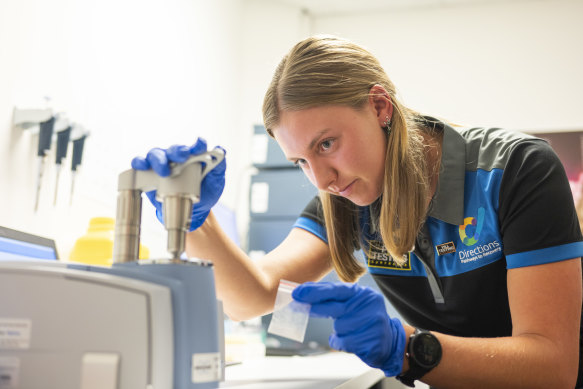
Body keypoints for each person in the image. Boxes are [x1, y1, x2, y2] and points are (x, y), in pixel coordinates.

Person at [132, 35, 583, 388]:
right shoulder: (349, 200)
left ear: (380, 106)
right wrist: (193, 218)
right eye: (301, 162)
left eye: (327, 144)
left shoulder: (516, 170)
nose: (322, 179)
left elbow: (552, 368)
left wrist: (407, 348)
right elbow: (253, 296)